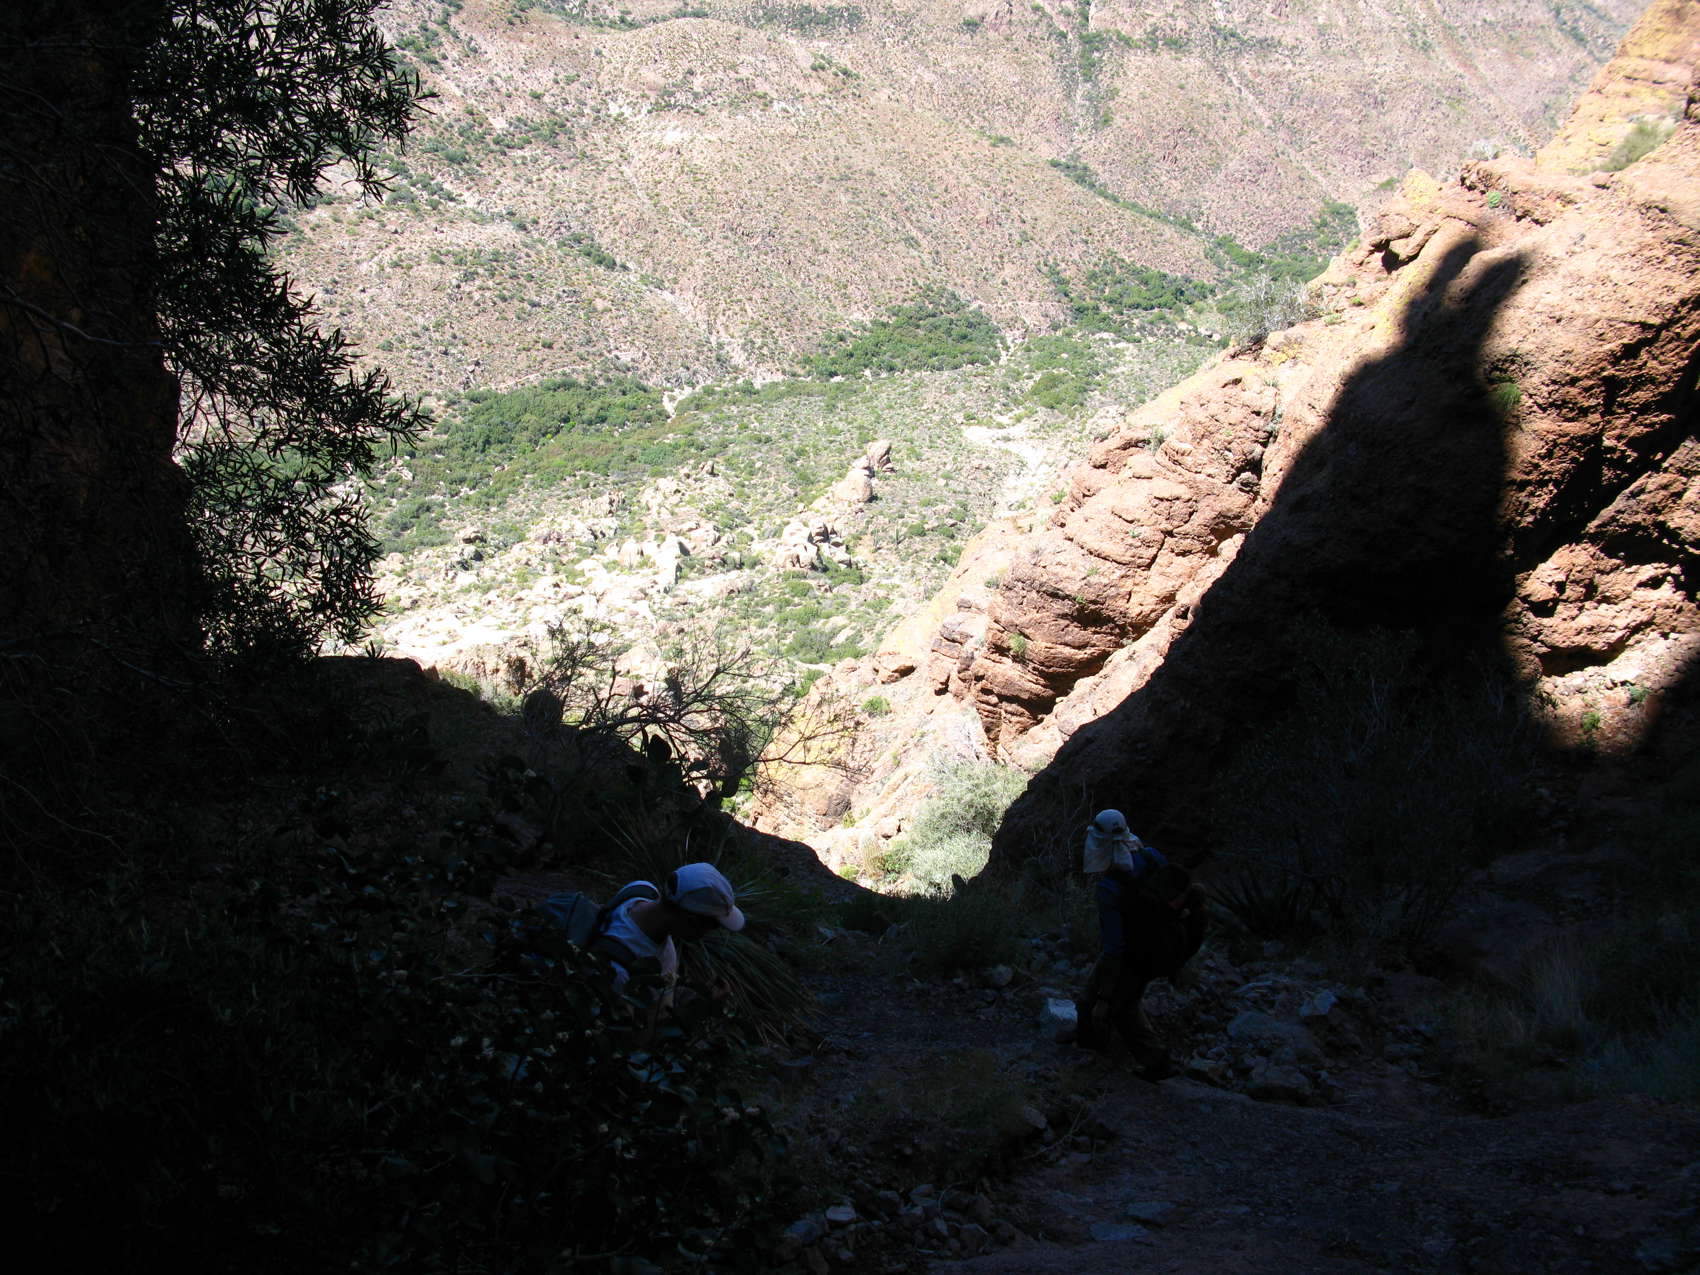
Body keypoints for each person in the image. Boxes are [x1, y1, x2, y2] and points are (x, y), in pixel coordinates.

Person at [1073, 810, 1206, 1079]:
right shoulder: (1151, 856)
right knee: (1106, 998)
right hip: (1164, 943)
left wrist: (1106, 992)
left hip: (1134, 953)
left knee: (1119, 1006)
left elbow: (1113, 946)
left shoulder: (1108, 888)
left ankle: (1153, 1062)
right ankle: (1087, 1040)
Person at [589, 861, 746, 993]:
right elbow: (654, 1017)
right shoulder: (620, 973)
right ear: (692, 921)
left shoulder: (641, 889)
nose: (711, 932)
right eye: (715, 925)